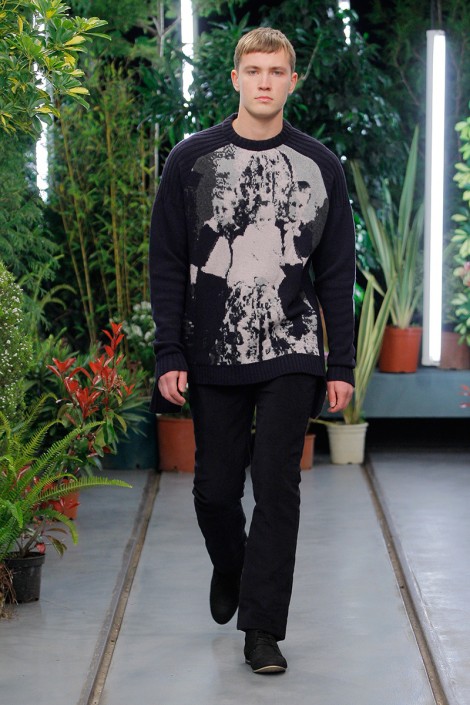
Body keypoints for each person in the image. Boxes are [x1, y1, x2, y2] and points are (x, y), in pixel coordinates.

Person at [149, 27, 356, 674]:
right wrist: (168, 351)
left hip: (292, 343)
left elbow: (336, 272)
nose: (265, 81)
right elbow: (167, 261)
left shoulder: (319, 166)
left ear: (293, 81)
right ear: (236, 79)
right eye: (255, 70)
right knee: (214, 490)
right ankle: (231, 565)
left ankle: (262, 630)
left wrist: (341, 363)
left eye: (277, 71)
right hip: (212, 346)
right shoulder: (192, 161)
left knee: (276, 486)